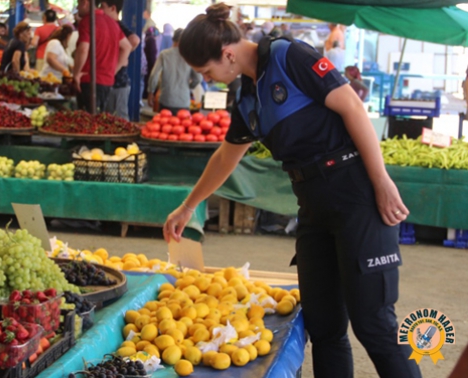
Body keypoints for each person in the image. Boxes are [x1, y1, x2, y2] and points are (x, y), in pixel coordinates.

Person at [164, 4, 422, 378]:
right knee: (325, 328)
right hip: (313, 207)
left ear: (228, 54)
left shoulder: (289, 56)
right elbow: (225, 157)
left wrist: (380, 180)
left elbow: (351, 106)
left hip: (355, 195)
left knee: (374, 325)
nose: (210, 80)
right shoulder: (249, 97)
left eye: (207, 71)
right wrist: (188, 206)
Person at [73, 0, 132, 113]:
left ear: (85, 2)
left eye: (78, 3)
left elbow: (83, 48)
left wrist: (76, 73)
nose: (77, 7)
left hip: (88, 81)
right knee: (99, 121)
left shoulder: (88, 21)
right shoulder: (112, 23)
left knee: (86, 122)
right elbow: (127, 47)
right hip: (106, 82)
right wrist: (112, 71)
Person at [101, 0, 140, 120]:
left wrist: (119, 59)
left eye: (103, 7)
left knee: (119, 121)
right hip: (112, 83)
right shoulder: (109, 25)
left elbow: (134, 40)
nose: (100, 11)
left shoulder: (117, 25)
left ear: (113, 8)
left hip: (118, 83)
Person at [147, 28, 201, 115]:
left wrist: (151, 92)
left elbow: (154, 75)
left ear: (173, 39)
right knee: (181, 127)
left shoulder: (164, 54)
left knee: (165, 127)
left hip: (166, 100)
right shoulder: (190, 55)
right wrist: (189, 87)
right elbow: (198, 78)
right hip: (183, 101)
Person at [142, 26, 158, 100]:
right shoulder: (152, 40)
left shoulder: (146, 39)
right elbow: (152, 54)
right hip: (149, 64)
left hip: (145, 64)